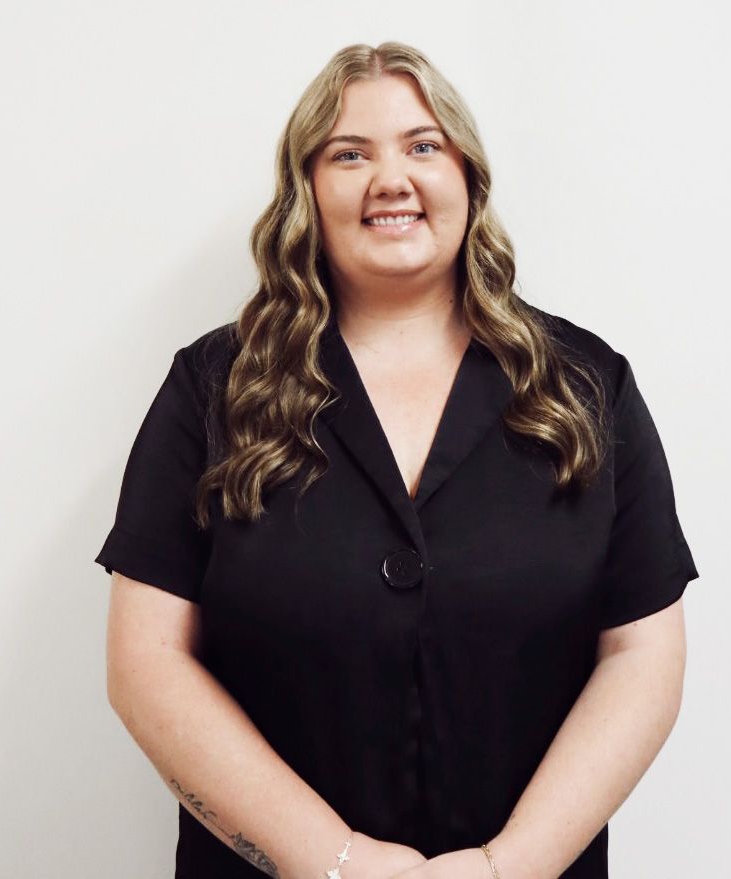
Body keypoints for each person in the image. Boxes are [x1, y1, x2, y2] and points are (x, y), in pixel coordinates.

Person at [95, 41, 699, 879]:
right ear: (306, 190)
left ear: (467, 176)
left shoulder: (588, 385)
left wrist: (504, 868)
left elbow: (641, 655)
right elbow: (146, 662)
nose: (391, 177)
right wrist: (335, 863)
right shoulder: (210, 389)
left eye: (423, 145)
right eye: (349, 153)